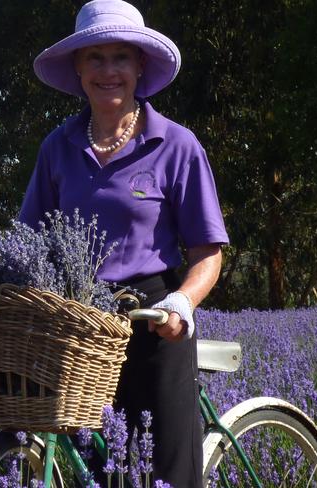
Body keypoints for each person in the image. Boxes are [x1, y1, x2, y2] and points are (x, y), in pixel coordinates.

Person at [19, 1, 229, 486]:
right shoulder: (58, 147)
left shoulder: (176, 145)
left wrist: (183, 301)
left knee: (167, 468)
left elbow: (207, 252)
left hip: (157, 319)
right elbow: (29, 241)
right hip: (83, 323)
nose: (108, 70)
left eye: (120, 58)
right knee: (95, 470)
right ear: (77, 68)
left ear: (139, 66)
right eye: (95, 57)